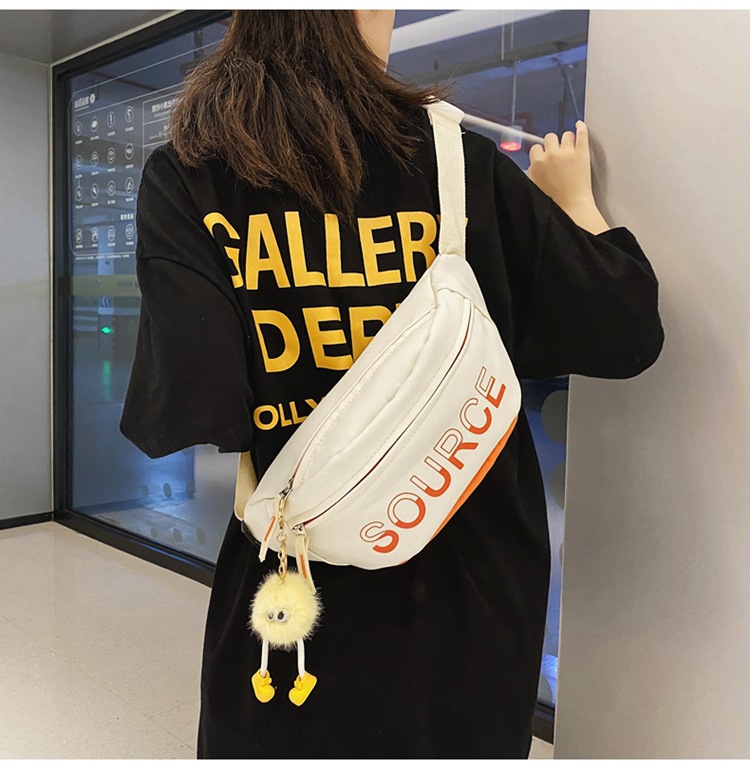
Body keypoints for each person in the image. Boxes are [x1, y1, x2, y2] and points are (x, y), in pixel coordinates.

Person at [119, 10, 664, 759]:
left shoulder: (188, 174)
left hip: (294, 592)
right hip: (468, 589)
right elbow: (626, 331)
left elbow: (191, 402)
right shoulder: (458, 162)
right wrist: (574, 206)